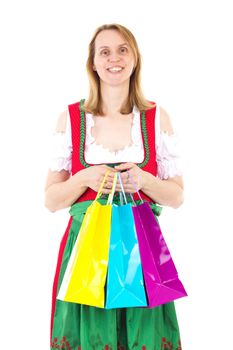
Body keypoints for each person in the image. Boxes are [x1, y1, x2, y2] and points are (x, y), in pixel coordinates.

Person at [45, 23, 184, 350]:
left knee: (143, 335)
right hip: (84, 254)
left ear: (135, 58)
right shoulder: (71, 118)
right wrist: (83, 178)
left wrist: (146, 181)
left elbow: (177, 195)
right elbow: (50, 200)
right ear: (92, 62)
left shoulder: (155, 117)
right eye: (104, 52)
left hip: (142, 253)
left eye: (123, 49)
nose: (114, 58)